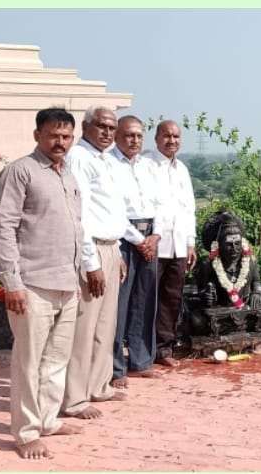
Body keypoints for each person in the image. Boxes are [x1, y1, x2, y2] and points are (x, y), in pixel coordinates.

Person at [0, 108, 84, 459]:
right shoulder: (21, 171)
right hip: (32, 283)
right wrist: (12, 283)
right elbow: (5, 228)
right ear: (37, 135)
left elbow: (75, 229)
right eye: (53, 135)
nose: (60, 142)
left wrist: (78, 275)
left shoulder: (68, 174)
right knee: (28, 363)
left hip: (67, 283)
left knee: (56, 360)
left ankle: (47, 420)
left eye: (66, 136)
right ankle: (26, 432)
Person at [62, 105, 129, 420]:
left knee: (105, 324)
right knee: (84, 327)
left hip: (110, 247)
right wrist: (91, 263)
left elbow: (112, 211)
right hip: (92, 250)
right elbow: (81, 215)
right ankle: (74, 397)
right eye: (101, 126)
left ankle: (99, 385)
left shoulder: (107, 160)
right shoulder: (79, 157)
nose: (107, 132)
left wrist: (118, 251)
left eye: (111, 127)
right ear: (86, 126)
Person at [109, 115, 165, 388]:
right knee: (119, 304)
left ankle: (141, 361)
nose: (134, 140)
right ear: (117, 136)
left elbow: (160, 203)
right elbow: (112, 209)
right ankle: (115, 367)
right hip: (123, 237)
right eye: (129, 135)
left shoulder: (147, 166)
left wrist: (155, 235)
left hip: (150, 235)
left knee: (144, 301)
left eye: (139, 136)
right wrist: (139, 240)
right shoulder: (109, 164)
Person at [146, 120, 197, 367]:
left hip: (178, 245)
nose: (172, 141)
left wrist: (190, 242)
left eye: (176, 136)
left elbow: (189, 209)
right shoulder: (146, 165)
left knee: (171, 300)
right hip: (153, 245)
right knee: (147, 299)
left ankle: (163, 349)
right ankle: (142, 351)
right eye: (167, 136)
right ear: (156, 138)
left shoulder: (182, 169)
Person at [189, 210, 261, 337]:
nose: (234, 248)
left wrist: (257, 293)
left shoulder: (250, 261)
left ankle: (230, 328)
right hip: (220, 309)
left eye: (237, 243)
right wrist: (207, 296)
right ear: (219, 245)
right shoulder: (208, 264)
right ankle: (237, 327)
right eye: (229, 244)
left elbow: (256, 282)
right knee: (197, 321)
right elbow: (202, 291)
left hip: (245, 307)